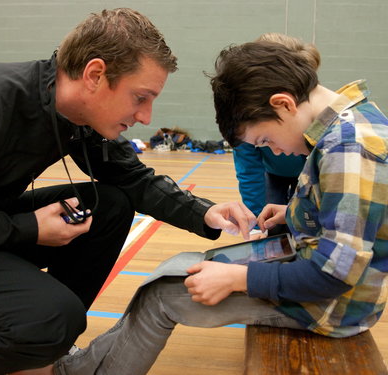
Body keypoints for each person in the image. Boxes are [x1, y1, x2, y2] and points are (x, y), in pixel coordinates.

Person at [0, 8, 256, 375]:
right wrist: (28, 228)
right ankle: (37, 330)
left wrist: (203, 211)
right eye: (140, 97)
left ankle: (31, 339)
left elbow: (131, 179)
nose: (147, 117)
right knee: (54, 319)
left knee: (107, 206)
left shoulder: (72, 114)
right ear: (94, 75)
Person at [54, 39, 388, 375]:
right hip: (313, 271)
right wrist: (293, 212)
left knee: (161, 298)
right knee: (169, 274)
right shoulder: (346, 125)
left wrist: (239, 278)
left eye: (265, 141)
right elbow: (357, 218)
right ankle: (79, 368)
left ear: (284, 105)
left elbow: (335, 274)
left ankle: (75, 371)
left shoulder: (347, 149)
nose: (276, 150)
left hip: (332, 305)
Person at [233, 33, 319, 235]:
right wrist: (256, 225)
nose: (279, 150)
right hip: (272, 173)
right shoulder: (247, 115)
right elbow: (249, 171)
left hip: (305, 175)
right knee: (271, 224)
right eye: (263, 141)